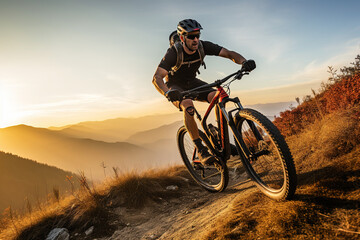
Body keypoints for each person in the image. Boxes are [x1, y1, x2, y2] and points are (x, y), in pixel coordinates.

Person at [152, 19, 256, 165]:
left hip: (192, 82)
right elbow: (157, 77)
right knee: (188, 106)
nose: (195, 39)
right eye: (191, 36)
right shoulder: (173, 52)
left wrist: (244, 62)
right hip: (175, 86)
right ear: (182, 38)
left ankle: (221, 141)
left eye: (197, 35)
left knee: (217, 96)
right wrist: (166, 92)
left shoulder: (203, 46)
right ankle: (201, 149)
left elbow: (228, 53)